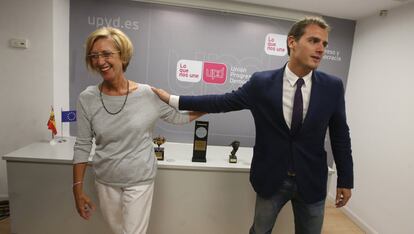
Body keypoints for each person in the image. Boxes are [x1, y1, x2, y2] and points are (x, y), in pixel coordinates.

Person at [152, 16, 353, 234]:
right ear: (292, 42)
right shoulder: (262, 83)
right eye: (314, 41)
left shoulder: (332, 87)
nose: (321, 49)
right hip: (272, 178)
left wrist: (345, 179)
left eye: (324, 44)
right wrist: (175, 100)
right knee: (260, 231)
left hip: (312, 179)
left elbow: (340, 135)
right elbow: (224, 102)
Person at [72, 27, 202, 234]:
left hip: (139, 179)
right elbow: (83, 144)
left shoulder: (147, 94)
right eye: (94, 56)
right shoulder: (87, 98)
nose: (100, 61)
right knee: (117, 230)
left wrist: (212, 106)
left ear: (122, 56)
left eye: (106, 54)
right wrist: (77, 189)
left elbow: (178, 116)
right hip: (105, 180)